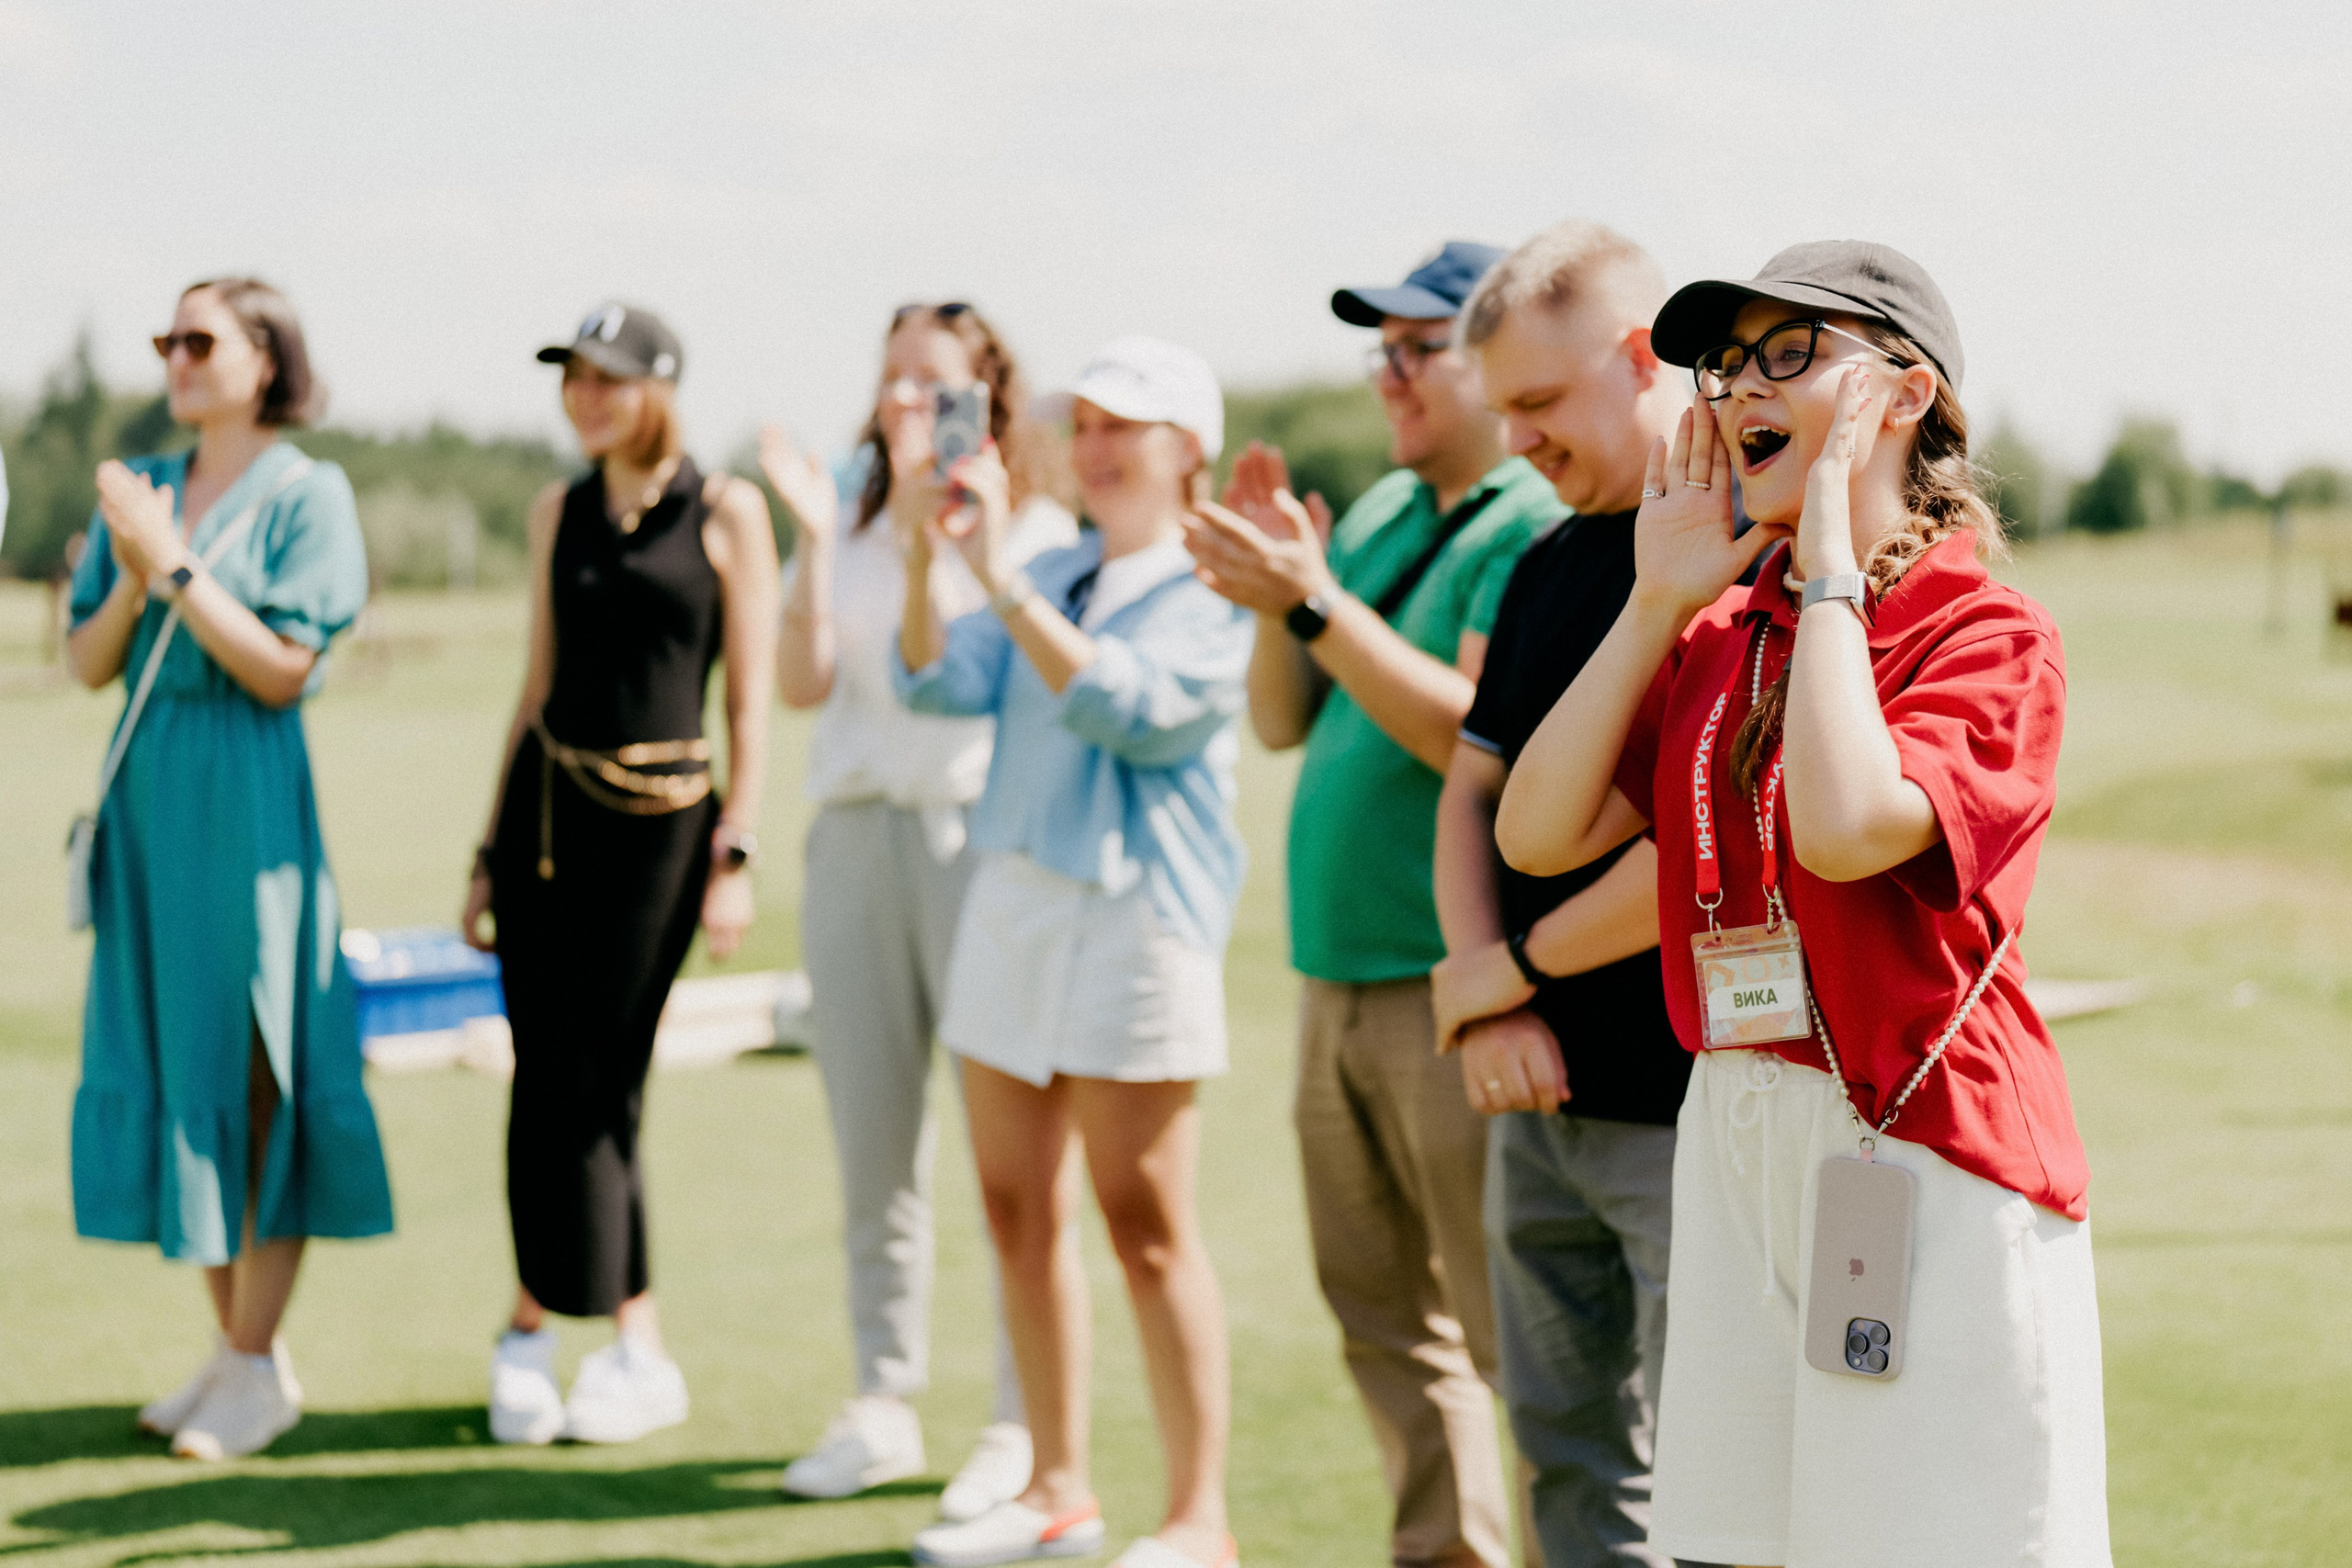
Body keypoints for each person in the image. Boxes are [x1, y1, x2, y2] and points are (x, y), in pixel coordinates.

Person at [1495, 242, 2109, 1567]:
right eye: (1727, 365)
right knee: (1736, 1540)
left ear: (1903, 397)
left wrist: (1830, 572)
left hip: (1920, 1143)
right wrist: (1661, 598)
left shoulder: (1984, 629)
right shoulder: (1724, 626)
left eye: (1790, 355)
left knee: (1930, 1539)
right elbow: (1537, 830)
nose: (1733, 392)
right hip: (1732, 1118)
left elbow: (1843, 830)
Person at [1183, 243, 1557, 1568]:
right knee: (1380, 1314)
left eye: (1418, 347)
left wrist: (1317, 598)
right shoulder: (1393, 512)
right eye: (1377, 351)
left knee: (1507, 1324)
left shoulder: (1525, 519)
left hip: (1441, 975)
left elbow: (1471, 729)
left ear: (1491, 358)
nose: (1390, 374)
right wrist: (1271, 599)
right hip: (1332, 972)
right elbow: (1284, 721)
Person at [894, 338, 1251, 1568]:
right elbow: (939, 686)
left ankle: (1199, 1514)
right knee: (1012, 1207)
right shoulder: (1046, 562)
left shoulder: (1218, 579)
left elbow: (1133, 712)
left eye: (1126, 427)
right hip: (1018, 899)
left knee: (1144, 1217)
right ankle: (1055, 1485)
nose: (1096, 449)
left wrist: (1000, 579)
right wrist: (920, 556)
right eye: (1084, 425)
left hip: (1138, 916)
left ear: (1186, 447)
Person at [64, 276, 392, 1461]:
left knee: (257, 1067)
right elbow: (88, 658)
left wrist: (178, 569)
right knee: (175, 1065)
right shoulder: (140, 491)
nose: (178, 358)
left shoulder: (311, 495)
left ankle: (255, 1362)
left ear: (267, 358)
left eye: (202, 339)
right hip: (150, 796)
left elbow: (282, 669)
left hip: (248, 801)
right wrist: (130, 561)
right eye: (167, 339)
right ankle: (237, 1349)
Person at [759, 301, 1075, 1517]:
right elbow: (800, 682)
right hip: (852, 836)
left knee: (1009, 1155)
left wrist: (942, 538)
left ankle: (1015, 1415)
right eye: (891, 382)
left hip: (978, 838)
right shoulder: (843, 519)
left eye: (932, 384)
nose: (905, 405)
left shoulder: (1029, 526)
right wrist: (813, 540)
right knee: (871, 1136)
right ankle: (881, 1396)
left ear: (986, 393)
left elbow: (978, 688)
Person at [1423, 222, 1702, 1568]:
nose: (1520, 439)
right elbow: (1468, 797)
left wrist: (1510, 971)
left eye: (1541, 402)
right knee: (1566, 1450)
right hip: (1537, 1101)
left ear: (1644, 356)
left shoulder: (1733, 555)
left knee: (1713, 1462)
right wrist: (1483, 1002)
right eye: (1506, 410)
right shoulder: (1542, 563)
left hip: (1688, 1102)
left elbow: (1698, 850)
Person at [460, 302, 780, 1447]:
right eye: (572, 378)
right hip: (547, 827)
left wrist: (734, 855)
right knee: (541, 1076)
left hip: (665, 835)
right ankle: (538, 1335)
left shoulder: (729, 510)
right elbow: (535, 687)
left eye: (608, 378)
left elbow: (746, 699)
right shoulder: (560, 509)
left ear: (658, 387)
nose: (586, 397)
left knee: (604, 1082)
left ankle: (625, 1343)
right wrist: (487, 855)